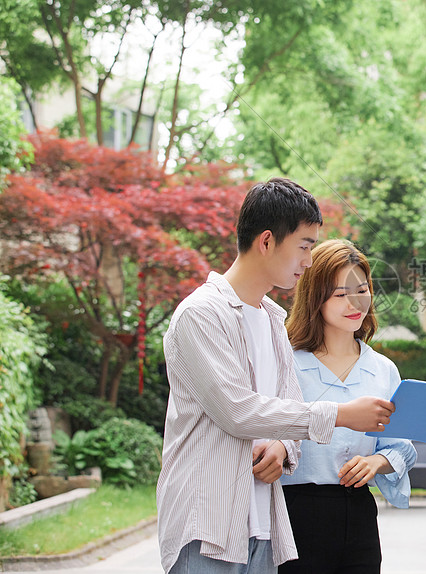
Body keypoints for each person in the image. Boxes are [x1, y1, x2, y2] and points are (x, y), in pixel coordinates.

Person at [157, 178, 395, 574]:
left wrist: (283, 447)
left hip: (264, 525)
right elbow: (237, 411)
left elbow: (286, 411)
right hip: (208, 524)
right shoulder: (201, 314)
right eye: (304, 246)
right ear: (266, 241)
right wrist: (339, 413)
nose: (308, 260)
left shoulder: (272, 321)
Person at [279, 239, 418, 574]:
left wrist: (375, 461)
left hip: (357, 513)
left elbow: (401, 446)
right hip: (296, 512)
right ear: (316, 297)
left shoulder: (383, 369)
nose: (355, 302)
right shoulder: (286, 362)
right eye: (340, 294)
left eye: (362, 289)